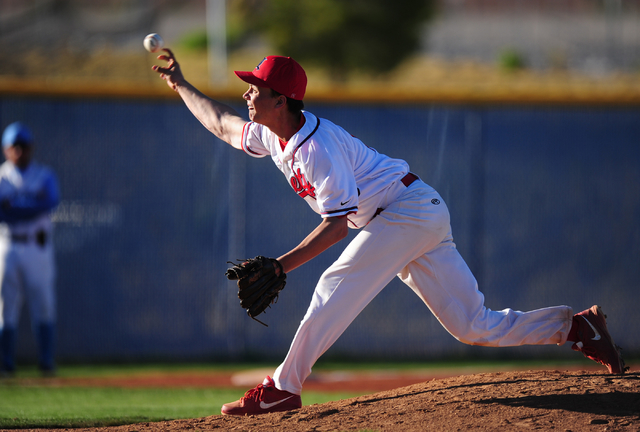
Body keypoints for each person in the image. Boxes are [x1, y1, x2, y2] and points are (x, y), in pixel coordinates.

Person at [152, 50, 627, 415]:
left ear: (282, 99)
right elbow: (220, 124)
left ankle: (282, 389)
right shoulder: (272, 134)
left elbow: (337, 226)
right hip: (411, 214)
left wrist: (281, 265)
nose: (247, 93)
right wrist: (179, 84)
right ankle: (574, 325)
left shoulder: (318, 147)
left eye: (255, 87)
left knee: (333, 284)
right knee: (473, 325)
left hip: (406, 212)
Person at [0, 122, 60, 377]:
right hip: (7, 244)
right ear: (6, 149)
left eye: (23, 146)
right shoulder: (1, 176)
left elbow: (50, 202)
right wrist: (28, 205)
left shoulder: (44, 174)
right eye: (15, 146)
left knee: (43, 303)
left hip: (37, 245)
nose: (20, 151)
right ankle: (5, 365)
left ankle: (46, 362)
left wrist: (14, 207)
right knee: (4, 307)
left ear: (31, 148)